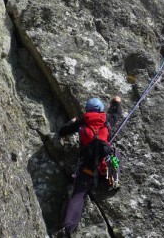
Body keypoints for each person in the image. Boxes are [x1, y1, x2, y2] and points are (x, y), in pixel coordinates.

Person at [58, 96, 122, 235]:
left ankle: (68, 228)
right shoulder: (108, 121)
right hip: (104, 170)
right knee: (115, 153)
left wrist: (71, 122)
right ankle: (114, 179)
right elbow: (117, 114)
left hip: (86, 171)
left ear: (87, 110)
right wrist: (116, 102)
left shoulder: (82, 124)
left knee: (78, 196)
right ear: (101, 110)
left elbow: (62, 131)